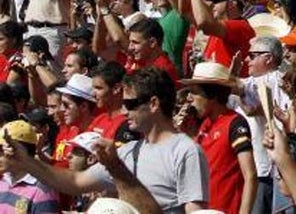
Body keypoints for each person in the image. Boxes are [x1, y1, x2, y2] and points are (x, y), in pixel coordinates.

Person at [7, 66, 210, 213]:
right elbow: (75, 181)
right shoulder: (129, 150)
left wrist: (116, 168)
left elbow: (195, 211)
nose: (124, 110)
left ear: (154, 103)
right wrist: (26, 161)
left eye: (130, 104)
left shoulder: (185, 150)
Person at [180, 61, 257, 214]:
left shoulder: (234, 123)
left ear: (213, 95)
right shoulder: (203, 124)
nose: (189, 98)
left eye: (195, 92)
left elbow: (251, 175)